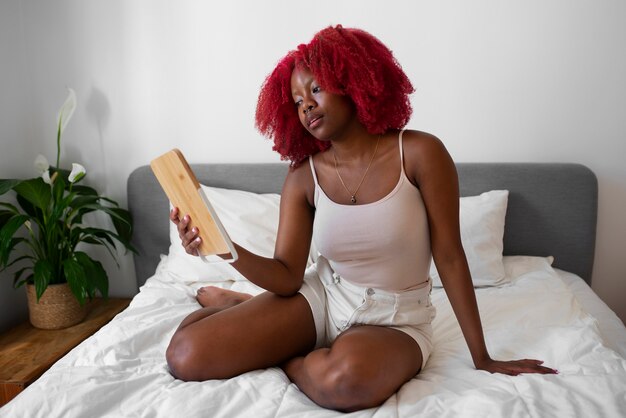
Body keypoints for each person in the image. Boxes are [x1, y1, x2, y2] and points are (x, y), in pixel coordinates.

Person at [166, 25, 557, 412]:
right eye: (298, 101)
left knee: (344, 385)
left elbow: (451, 256)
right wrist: (223, 248)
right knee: (185, 353)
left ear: (351, 80)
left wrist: (482, 357)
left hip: (394, 318)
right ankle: (251, 309)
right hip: (321, 298)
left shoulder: (420, 153)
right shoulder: (304, 175)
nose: (306, 107)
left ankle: (282, 349)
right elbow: (287, 275)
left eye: (315, 89)